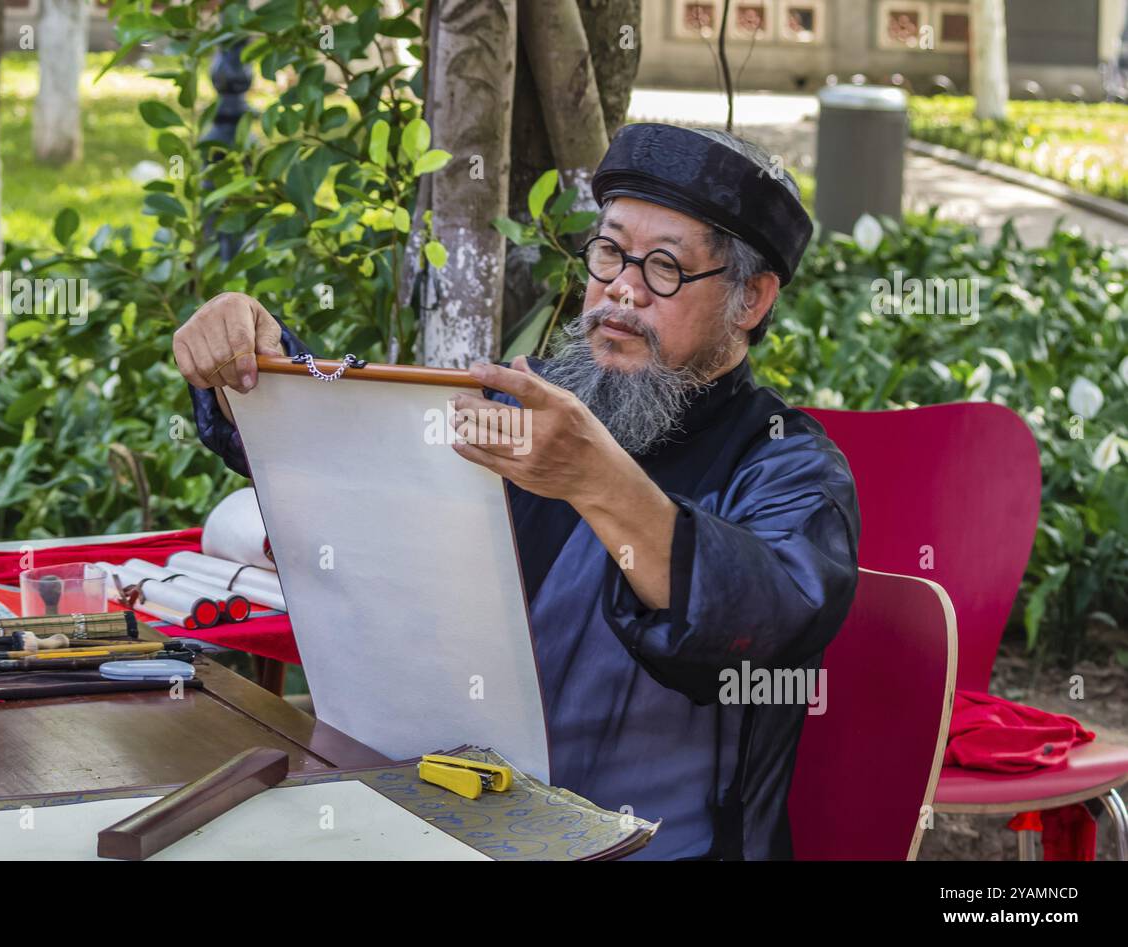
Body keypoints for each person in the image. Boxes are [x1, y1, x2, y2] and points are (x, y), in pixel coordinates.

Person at [174, 123, 860, 860]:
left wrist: (598, 478)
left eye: (664, 267)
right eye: (609, 252)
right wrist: (257, 360)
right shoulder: (528, 404)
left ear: (751, 299)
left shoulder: (787, 467)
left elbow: (757, 621)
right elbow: (367, 460)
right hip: (444, 819)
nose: (621, 291)